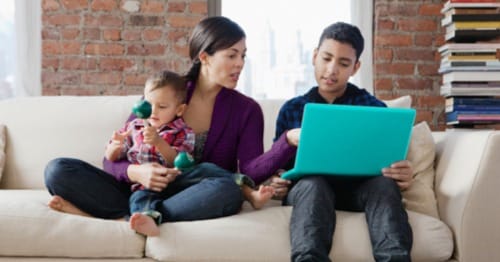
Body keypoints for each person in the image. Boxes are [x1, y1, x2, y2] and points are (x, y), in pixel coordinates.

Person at [44, 16, 288, 234]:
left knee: (229, 190)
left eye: (243, 56)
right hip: (138, 188)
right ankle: (138, 216)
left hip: (190, 195)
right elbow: (112, 159)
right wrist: (137, 172)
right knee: (58, 170)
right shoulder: (163, 92)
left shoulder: (247, 110)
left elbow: (251, 172)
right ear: (204, 57)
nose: (240, 64)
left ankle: (137, 217)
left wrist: (287, 141)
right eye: (232, 55)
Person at [266, 22, 414, 261]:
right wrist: (276, 179)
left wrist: (403, 172)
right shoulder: (292, 109)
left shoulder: (374, 109)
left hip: (359, 190)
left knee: (385, 186)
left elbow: (390, 160)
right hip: (310, 190)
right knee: (314, 184)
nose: (331, 69)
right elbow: (277, 166)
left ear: (355, 67)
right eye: (326, 58)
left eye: (343, 63)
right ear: (314, 56)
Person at [105, 70, 275, 236]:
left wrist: (158, 142)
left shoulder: (183, 131)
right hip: (146, 185)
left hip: (180, 182)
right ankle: (149, 219)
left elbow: (177, 161)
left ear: (179, 110)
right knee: (140, 199)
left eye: (162, 106)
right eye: (149, 105)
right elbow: (110, 159)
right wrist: (116, 146)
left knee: (207, 169)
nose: (154, 111)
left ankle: (243, 186)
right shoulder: (135, 126)